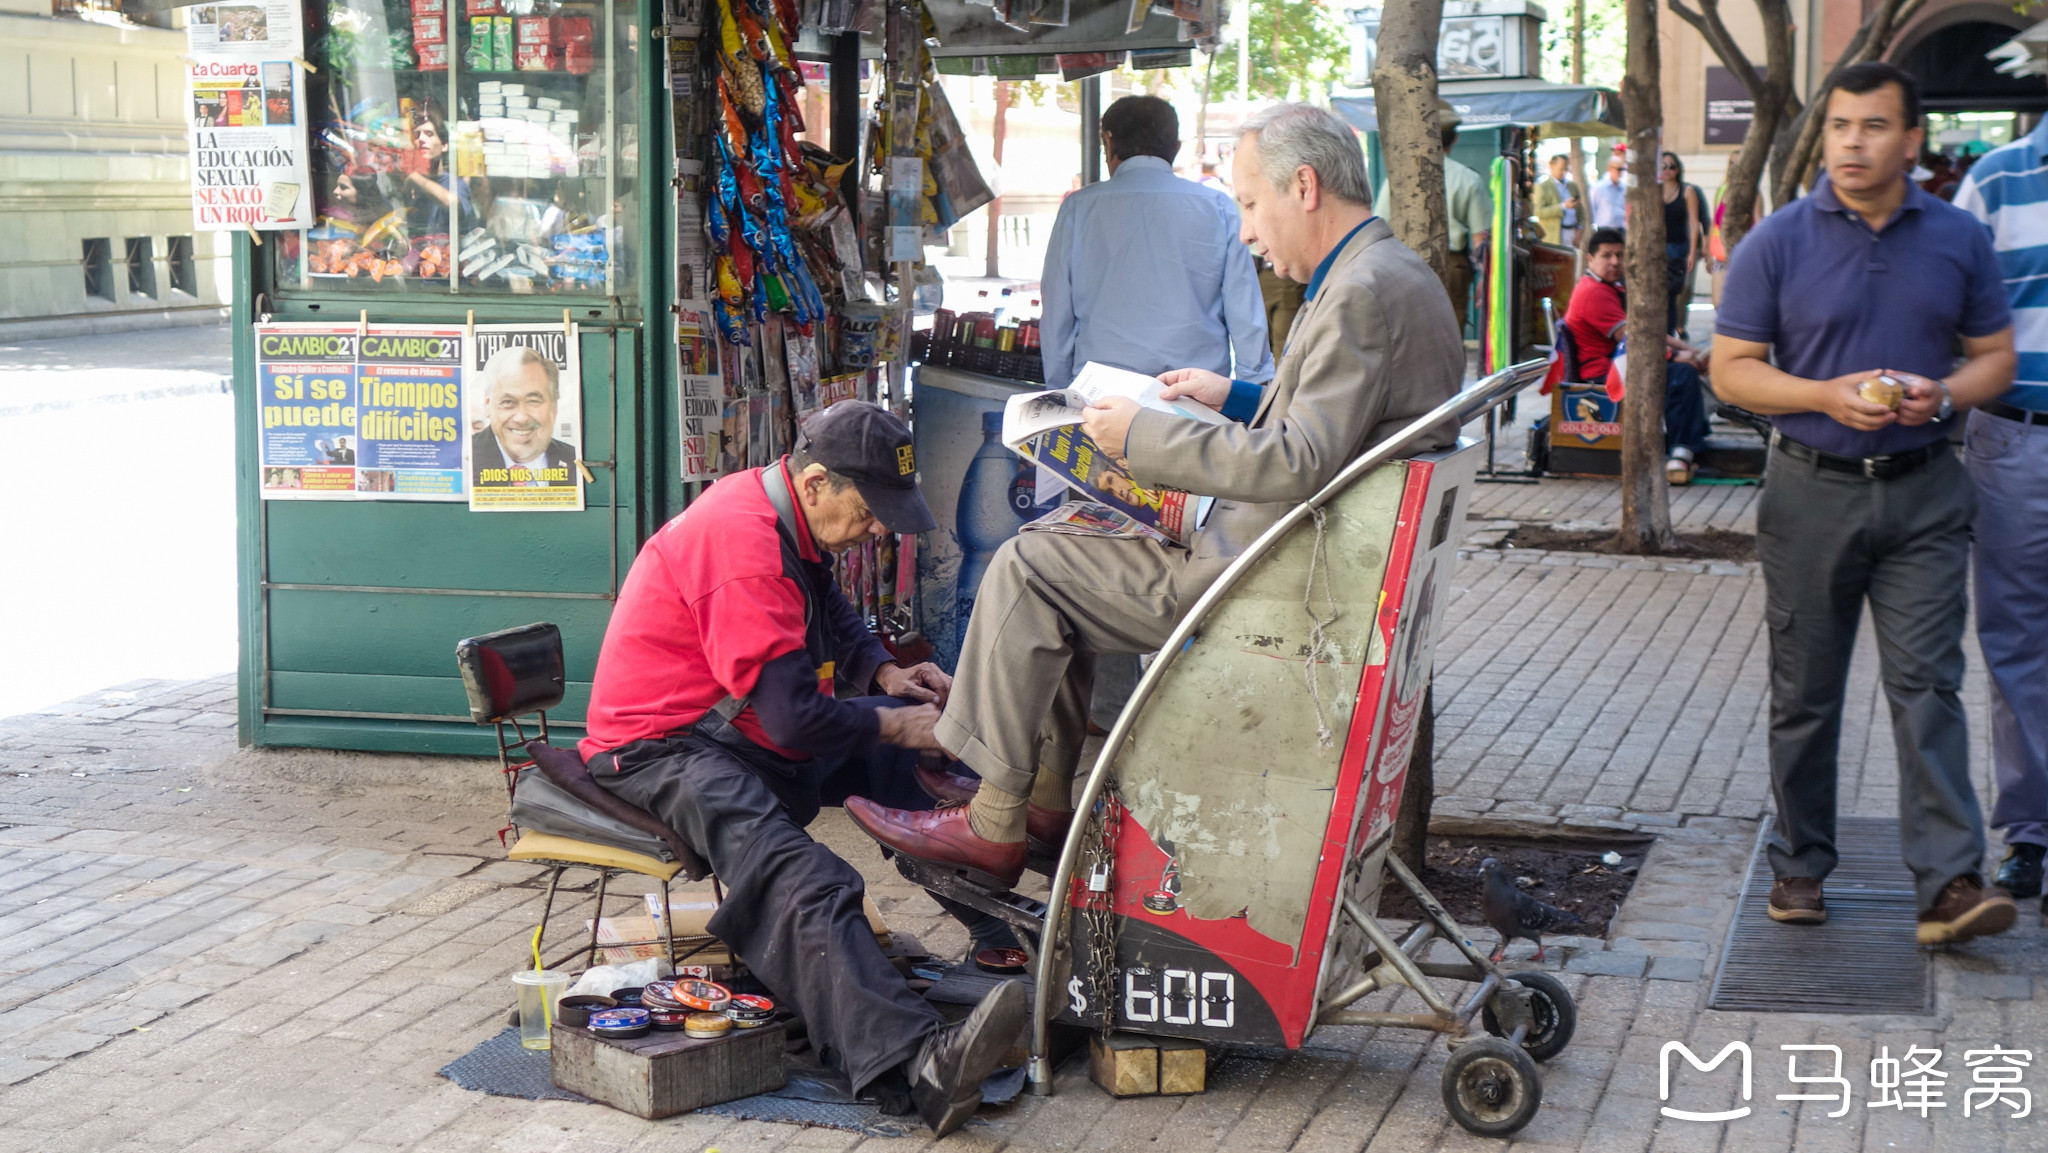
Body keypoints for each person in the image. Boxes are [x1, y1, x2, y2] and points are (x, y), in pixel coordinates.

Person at [842, 103, 1466, 888]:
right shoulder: (1386, 273)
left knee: (1030, 564)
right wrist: (1234, 395)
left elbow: (1299, 458)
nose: (1245, 231)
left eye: (1249, 203)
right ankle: (1030, 799)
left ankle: (995, 819)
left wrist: (1140, 437)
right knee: (1062, 551)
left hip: (1268, 578)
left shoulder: (1360, 292)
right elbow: (1324, 425)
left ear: (1303, 186)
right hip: (1287, 553)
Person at [579, 402, 1028, 1136]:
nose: (880, 527)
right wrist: (897, 721)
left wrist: (885, 675)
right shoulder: (744, 548)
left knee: (911, 767)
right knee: (803, 874)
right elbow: (791, 719)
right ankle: (918, 1066)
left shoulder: (785, 512)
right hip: (659, 745)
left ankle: (999, 933)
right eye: (871, 509)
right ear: (816, 482)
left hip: (728, 729)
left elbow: (831, 611)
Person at [1712, 62, 2019, 944]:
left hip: (1925, 488)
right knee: (1805, 691)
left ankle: (1950, 883)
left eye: (1874, 126)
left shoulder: (1958, 237)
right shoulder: (1778, 240)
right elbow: (1734, 368)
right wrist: (1823, 393)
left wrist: (1947, 393)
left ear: (1911, 141)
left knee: (1930, 686)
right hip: (1810, 489)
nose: (1853, 141)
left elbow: (1994, 355)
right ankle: (1801, 866)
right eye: (1842, 124)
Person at [1950, 119, 2048, 907]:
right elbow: (1947, 303)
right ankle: (2030, 834)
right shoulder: (1997, 179)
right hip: (2015, 438)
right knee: (2015, 639)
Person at [1038, 95, 1271, 391]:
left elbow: (1057, 311)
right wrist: (1252, 388)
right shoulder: (1217, 206)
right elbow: (1243, 306)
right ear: (1175, 148)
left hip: (1101, 397)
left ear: (1108, 143)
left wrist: (1059, 389)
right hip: (1194, 396)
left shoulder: (1078, 208)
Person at [1563, 227, 1712, 484]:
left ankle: (1689, 441)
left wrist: (1687, 349)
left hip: (1619, 363)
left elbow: (1645, 329)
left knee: (1685, 366)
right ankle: (1681, 451)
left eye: (1619, 255)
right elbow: (1634, 340)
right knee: (1681, 374)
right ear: (1589, 259)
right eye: (1607, 255)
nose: (1614, 262)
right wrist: (1675, 357)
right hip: (1603, 374)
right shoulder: (1593, 292)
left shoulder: (1610, 287)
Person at [1375, 123, 1492, 320]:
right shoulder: (1468, 179)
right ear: (1455, 139)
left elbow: (1380, 226)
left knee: (1409, 327)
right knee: (1450, 329)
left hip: (1405, 261)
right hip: (1452, 265)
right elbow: (1480, 236)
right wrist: (1485, 277)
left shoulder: (1398, 178)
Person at [470, 346, 579, 486]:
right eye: (507, 402)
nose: (521, 418)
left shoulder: (575, 460)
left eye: (533, 401)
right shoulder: (465, 458)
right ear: (487, 404)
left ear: (554, 407)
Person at [1658, 152, 1705, 336]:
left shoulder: (1687, 191)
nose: (1667, 170)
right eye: (1663, 166)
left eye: (1671, 166)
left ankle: (1671, 333)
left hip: (1679, 248)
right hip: (1658, 249)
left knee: (1674, 295)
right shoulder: (1654, 190)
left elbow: (1694, 222)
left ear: (1678, 169)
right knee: (1659, 295)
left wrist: (1693, 252)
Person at [1533, 153, 1581, 246]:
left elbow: (1580, 210)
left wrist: (1580, 229)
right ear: (1551, 166)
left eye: (1566, 169)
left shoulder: (1572, 186)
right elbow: (1539, 212)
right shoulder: (1543, 186)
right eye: (1561, 169)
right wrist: (1563, 206)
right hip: (1555, 236)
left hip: (1572, 233)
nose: (1563, 172)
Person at [1588, 144, 1629, 233]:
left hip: (1620, 228)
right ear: (1610, 168)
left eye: (1621, 169)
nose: (1619, 172)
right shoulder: (1599, 187)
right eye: (1615, 152)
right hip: (1604, 229)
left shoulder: (1625, 185)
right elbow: (1592, 207)